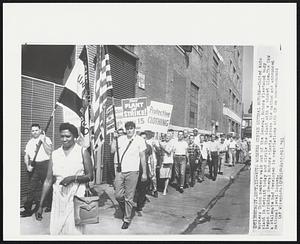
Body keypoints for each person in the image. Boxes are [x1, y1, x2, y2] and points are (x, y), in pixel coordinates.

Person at [35, 122, 94, 235]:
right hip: (58, 197)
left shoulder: (82, 151)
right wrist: (40, 205)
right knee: (57, 230)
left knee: (74, 231)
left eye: (68, 136)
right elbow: (48, 180)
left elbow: (90, 176)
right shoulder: (55, 154)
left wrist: (73, 178)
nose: (64, 139)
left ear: (75, 137)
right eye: (62, 136)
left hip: (76, 195)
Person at [111, 121, 147, 229]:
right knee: (118, 195)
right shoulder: (120, 139)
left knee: (129, 197)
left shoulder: (140, 140)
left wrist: (144, 173)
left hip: (133, 171)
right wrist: (114, 138)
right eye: (127, 128)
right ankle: (126, 208)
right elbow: (113, 150)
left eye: (131, 128)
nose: (129, 130)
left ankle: (126, 218)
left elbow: (142, 157)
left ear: (134, 129)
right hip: (120, 171)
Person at [21, 123, 53, 217]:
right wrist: (28, 166)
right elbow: (26, 156)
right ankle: (27, 210)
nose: (34, 132)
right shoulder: (30, 142)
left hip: (45, 164)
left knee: (48, 187)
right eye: (33, 130)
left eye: (36, 130)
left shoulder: (46, 139)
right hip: (34, 165)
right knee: (30, 188)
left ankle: (50, 205)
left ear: (40, 130)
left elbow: (50, 152)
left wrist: (43, 141)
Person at [135, 132, 152, 214]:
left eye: (144, 138)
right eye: (141, 138)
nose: (143, 139)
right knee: (136, 187)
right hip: (135, 167)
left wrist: (151, 170)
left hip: (144, 168)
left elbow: (151, 158)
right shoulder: (135, 146)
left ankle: (139, 205)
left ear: (146, 139)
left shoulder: (148, 147)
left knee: (143, 187)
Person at [145, 130, 159, 198]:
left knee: (153, 175)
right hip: (145, 160)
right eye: (147, 132)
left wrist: (155, 145)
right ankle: (147, 188)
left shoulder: (154, 140)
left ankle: (155, 189)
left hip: (152, 159)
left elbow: (158, 150)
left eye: (149, 132)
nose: (148, 133)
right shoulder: (144, 139)